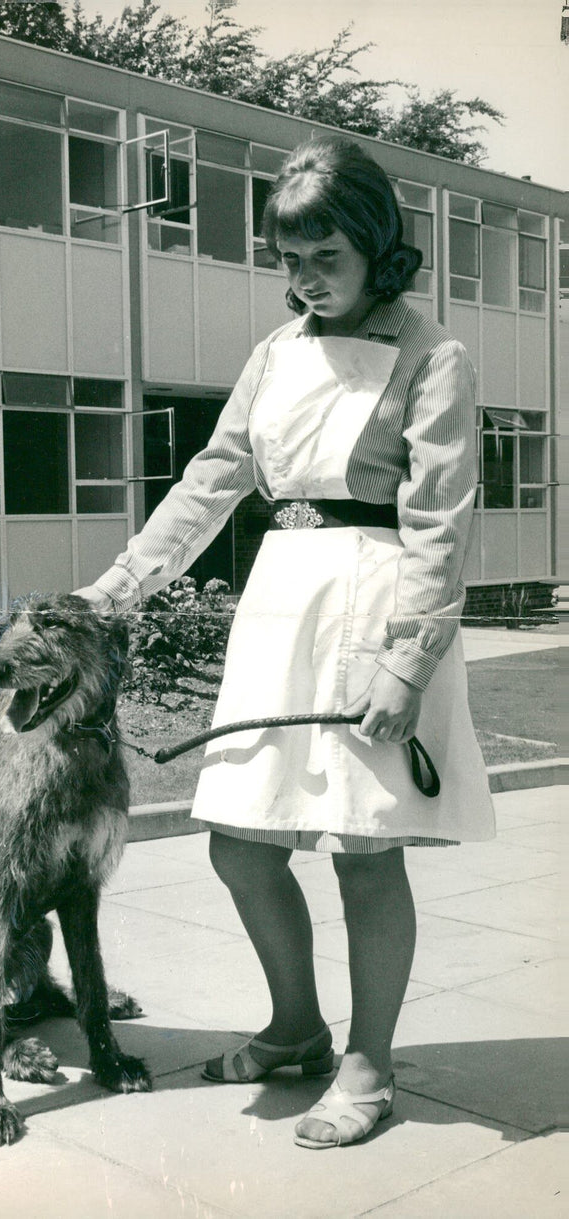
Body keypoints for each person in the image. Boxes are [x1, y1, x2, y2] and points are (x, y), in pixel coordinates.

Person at [75, 137, 495, 1149]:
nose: (304, 281)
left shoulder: (432, 356)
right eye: (288, 260)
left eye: (325, 259)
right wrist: (119, 586)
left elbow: (442, 523)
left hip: (376, 606)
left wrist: (407, 660)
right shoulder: (273, 354)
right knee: (239, 844)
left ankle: (368, 1061)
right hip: (283, 601)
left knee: (360, 848)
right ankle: (296, 1025)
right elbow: (211, 483)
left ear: (377, 249)